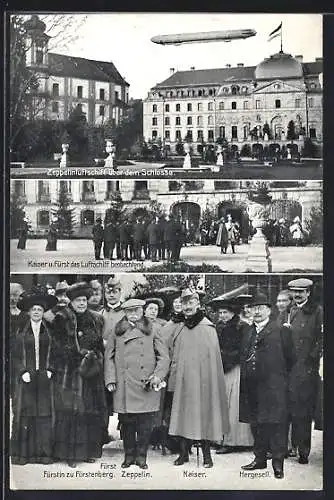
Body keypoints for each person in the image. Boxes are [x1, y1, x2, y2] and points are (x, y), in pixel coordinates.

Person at [104, 299, 169, 469]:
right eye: (130, 311)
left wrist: (157, 376)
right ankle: (129, 456)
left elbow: (164, 357)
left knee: (145, 424)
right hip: (124, 385)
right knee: (127, 424)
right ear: (125, 313)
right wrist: (110, 379)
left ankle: (141, 457)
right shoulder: (116, 331)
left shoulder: (154, 329)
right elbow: (108, 357)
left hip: (145, 384)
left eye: (137, 310)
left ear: (142, 311)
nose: (133, 314)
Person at [168, 288, 230, 468]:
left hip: (202, 383)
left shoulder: (207, 328)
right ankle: (183, 454)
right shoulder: (179, 327)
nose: (187, 307)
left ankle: (206, 456)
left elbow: (212, 360)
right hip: (184, 382)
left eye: (190, 303)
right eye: (184, 303)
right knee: (183, 415)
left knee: (203, 417)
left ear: (198, 304)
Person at [239, 292, 296, 479]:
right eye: (253, 308)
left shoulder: (281, 330)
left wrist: (279, 380)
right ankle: (259, 459)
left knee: (276, 425)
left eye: (260, 308)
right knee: (256, 424)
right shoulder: (247, 331)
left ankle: (278, 463)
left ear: (269, 310)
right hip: (252, 387)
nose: (256, 311)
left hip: (273, 387)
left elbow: (291, 359)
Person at [51, 282, 107, 468]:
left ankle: (87, 452)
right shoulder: (62, 318)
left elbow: (99, 343)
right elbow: (57, 346)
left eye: (84, 300)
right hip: (71, 372)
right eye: (78, 300)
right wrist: (78, 354)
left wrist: (95, 356)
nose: (82, 303)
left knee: (90, 411)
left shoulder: (95, 318)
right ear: (71, 301)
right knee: (72, 411)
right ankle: (69, 454)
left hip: (92, 372)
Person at [11, 286, 58, 465]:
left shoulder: (50, 331)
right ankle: (24, 454)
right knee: (26, 413)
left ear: (43, 312)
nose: (37, 312)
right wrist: (22, 371)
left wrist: (50, 369)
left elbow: (56, 353)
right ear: (29, 312)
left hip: (44, 378)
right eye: (34, 310)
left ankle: (43, 454)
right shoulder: (20, 331)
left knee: (44, 414)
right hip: (27, 378)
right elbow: (13, 354)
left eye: (40, 310)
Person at [286, 278, 323, 465]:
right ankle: (290, 447)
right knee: (289, 409)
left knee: (303, 411)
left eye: (301, 291)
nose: (297, 294)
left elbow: (322, 337)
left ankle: (304, 451)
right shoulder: (288, 311)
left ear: (308, 293)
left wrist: (312, 358)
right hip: (288, 367)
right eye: (294, 291)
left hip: (306, 368)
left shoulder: (317, 311)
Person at [213, 298, 254, 454]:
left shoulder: (242, 327)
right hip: (222, 367)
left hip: (235, 368)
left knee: (234, 404)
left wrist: (227, 357)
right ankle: (220, 438)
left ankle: (234, 441)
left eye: (226, 312)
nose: (222, 315)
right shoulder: (219, 327)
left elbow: (245, 349)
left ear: (233, 313)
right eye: (220, 312)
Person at [10, 283, 29, 408]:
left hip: (21, 360)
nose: (12, 298)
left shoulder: (26, 315)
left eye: (15, 295)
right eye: (9, 295)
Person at [100, 276, 125, 346]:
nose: (111, 295)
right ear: (105, 294)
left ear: (120, 293)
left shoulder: (127, 312)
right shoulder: (100, 313)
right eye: (108, 292)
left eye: (114, 292)